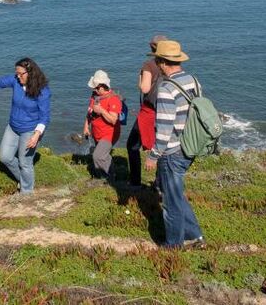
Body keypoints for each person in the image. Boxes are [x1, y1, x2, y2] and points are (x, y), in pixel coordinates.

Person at [145, 40, 204, 249]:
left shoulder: (166, 88)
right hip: (191, 146)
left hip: (172, 151)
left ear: (162, 62)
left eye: (157, 61)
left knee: (170, 203)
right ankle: (195, 235)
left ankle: (173, 246)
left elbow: (164, 128)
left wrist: (153, 156)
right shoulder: (193, 80)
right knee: (176, 194)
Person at [0, 57, 51, 195]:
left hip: (30, 130)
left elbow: (45, 117)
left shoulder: (42, 90)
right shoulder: (16, 81)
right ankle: (25, 181)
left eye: (20, 74)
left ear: (30, 73)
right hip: (13, 126)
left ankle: (26, 193)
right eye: (16, 73)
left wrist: (36, 135)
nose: (17, 76)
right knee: (5, 157)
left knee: (25, 163)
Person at [127, 34, 166, 188]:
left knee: (132, 145)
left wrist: (140, 77)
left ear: (152, 47)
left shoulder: (149, 65)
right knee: (162, 147)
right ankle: (160, 183)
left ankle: (135, 181)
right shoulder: (170, 65)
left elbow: (145, 88)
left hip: (150, 112)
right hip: (166, 111)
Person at [83, 69, 123, 181]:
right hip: (97, 132)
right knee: (103, 155)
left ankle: (107, 178)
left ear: (102, 86)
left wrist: (101, 111)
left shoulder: (114, 100)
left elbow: (113, 120)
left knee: (97, 156)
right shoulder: (94, 96)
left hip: (109, 134)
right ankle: (105, 177)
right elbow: (89, 112)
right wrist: (86, 126)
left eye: (95, 87)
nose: (94, 89)